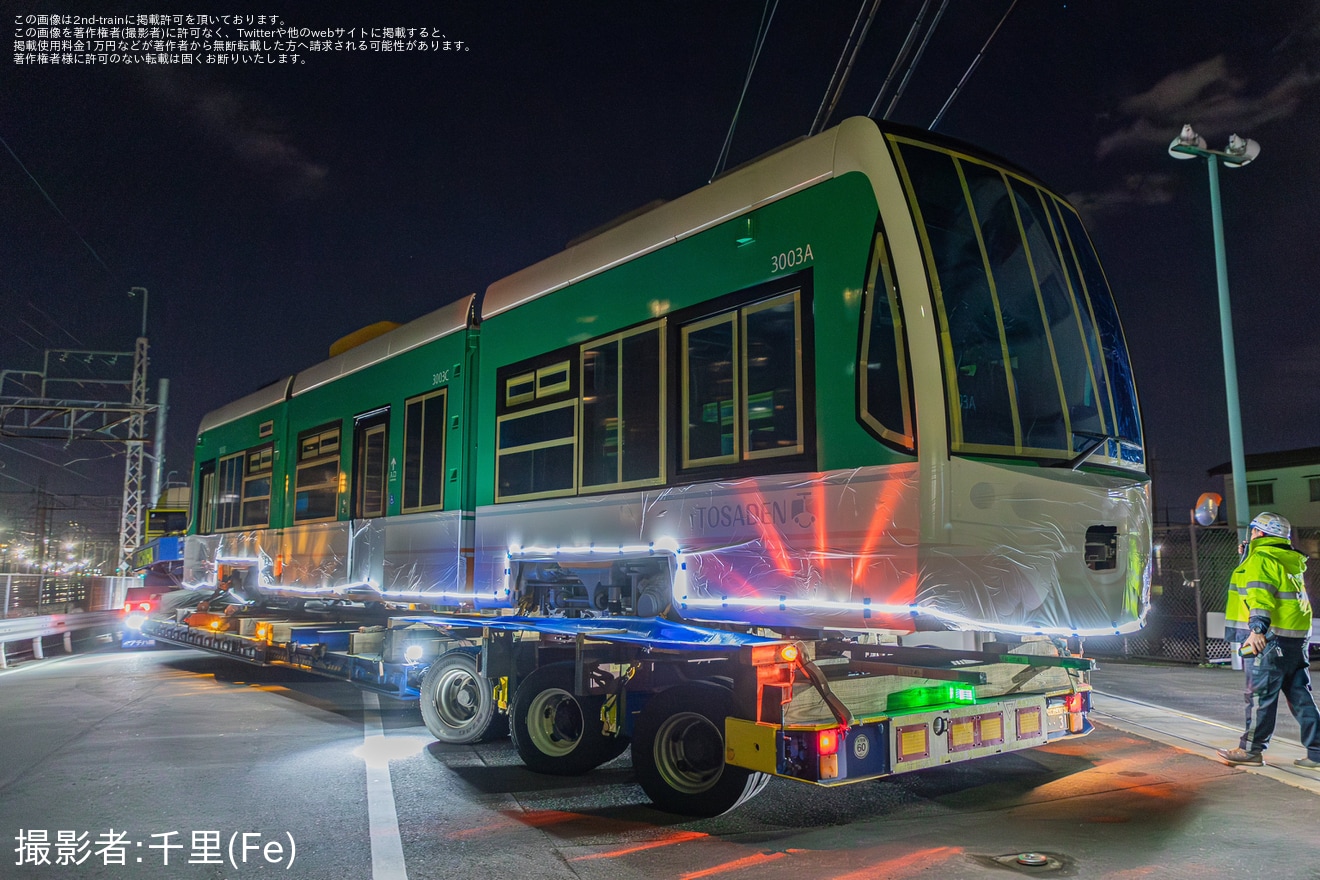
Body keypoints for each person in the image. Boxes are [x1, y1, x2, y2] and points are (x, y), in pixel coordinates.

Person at [1217, 512, 1320, 768]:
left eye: (1252, 530)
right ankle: (1317, 751)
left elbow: (1260, 597)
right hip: (1294, 640)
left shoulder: (1261, 559)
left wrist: (1257, 630)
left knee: (1260, 696)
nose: (1250, 534)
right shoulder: (1287, 559)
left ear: (1259, 533)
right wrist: (1247, 555)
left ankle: (1251, 751)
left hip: (1268, 641)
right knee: (1299, 696)